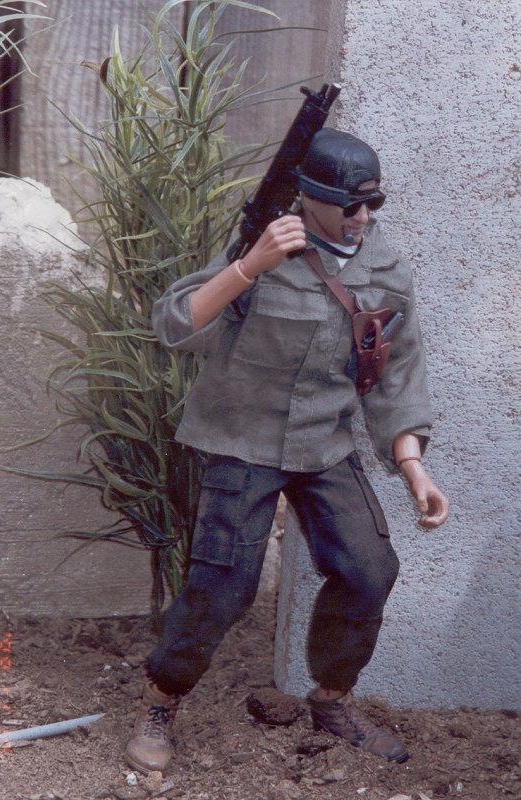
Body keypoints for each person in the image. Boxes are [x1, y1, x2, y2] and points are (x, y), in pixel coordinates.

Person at [125, 128, 449, 774]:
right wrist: (249, 266)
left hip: (323, 441)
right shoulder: (264, 245)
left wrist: (414, 467)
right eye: (348, 205)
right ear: (309, 197)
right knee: (223, 586)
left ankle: (331, 698)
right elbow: (174, 324)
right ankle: (160, 701)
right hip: (243, 437)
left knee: (369, 568)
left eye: (371, 204)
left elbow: (396, 370)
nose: (361, 217)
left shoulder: (384, 268)